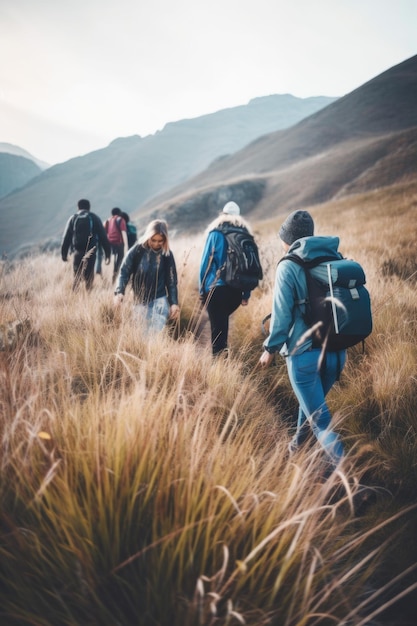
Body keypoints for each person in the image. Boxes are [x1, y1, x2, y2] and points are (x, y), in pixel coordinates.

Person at [258, 210, 347, 472]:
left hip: (304, 353)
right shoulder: (333, 258)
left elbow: (282, 316)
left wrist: (270, 349)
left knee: (320, 421)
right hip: (336, 351)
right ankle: (296, 448)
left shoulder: (288, 264)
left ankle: (351, 481)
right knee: (311, 404)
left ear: (289, 240)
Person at [199, 201, 255, 356]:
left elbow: (205, 264)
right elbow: (248, 266)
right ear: (238, 216)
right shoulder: (245, 234)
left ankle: (219, 366)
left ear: (223, 215)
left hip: (215, 289)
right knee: (222, 323)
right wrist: (246, 294)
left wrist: (202, 290)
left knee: (217, 329)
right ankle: (223, 357)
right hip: (235, 291)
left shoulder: (215, 233)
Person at [113, 219, 180, 332]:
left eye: (160, 241)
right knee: (139, 335)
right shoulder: (137, 251)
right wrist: (119, 292)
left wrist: (174, 303)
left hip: (159, 300)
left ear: (165, 239)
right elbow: (124, 272)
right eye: (153, 240)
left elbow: (171, 281)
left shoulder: (167, 254)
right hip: (139, 301)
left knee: (154, 337)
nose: (156, 244)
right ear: (148, 236)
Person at [61, 198, 110, 290]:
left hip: (77, 252)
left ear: (78, 207)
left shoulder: (73, 218)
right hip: (91, 252)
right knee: (89, 278)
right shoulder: (94, 218)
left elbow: (66, 237)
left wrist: (64, 254)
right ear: (89, 207)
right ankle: (88, 296)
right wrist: (108, 254)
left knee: (77, 277)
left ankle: (74, 298)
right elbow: (103, 237)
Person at [105, 208, 128, 282]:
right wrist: (126, 245)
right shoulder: (120, 219)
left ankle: (112, 276)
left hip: (110, 243)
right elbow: (123, 232)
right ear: (119, 213)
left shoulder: (108, 220)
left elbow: (105, 233)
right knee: (120, 260)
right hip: (119, 243)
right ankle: (116, 276)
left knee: (113, 261)